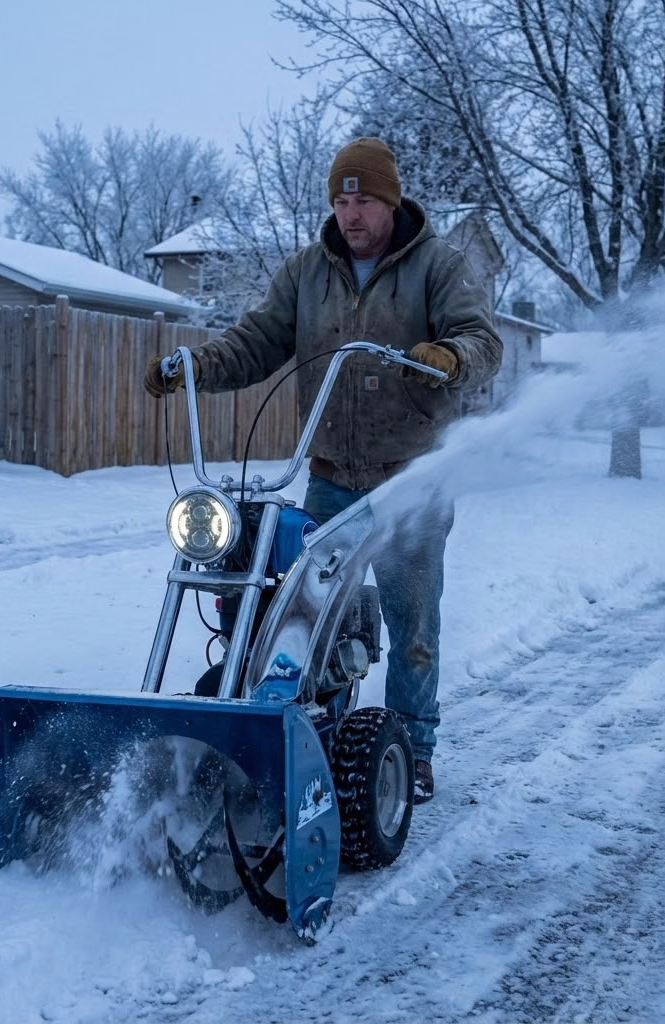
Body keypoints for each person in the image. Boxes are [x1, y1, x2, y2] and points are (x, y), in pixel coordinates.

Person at [144, 137, 502, 803]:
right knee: (306, 612)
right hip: (332, 475)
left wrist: (449, 356)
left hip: (410, 477)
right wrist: (198, 365)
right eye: (341, 199)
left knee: (412, 623)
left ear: (389, 202)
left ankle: (413, 751)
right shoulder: (308, 273)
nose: (351, 212)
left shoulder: (438, 266)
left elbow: (483, 339)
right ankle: (313, 734)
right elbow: (258, 340)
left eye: (363, 198)